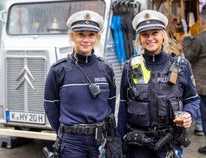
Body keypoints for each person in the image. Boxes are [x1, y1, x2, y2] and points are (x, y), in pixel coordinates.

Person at [117, 9, 200, 158]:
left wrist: (188, 113)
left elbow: (192, 99)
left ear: (163, 35)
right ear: (140, 39)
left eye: (155, 32)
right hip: (138, 146)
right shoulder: (130, 67)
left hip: (169, 143)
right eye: (145, 34)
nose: (150, 38)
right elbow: (123, 107)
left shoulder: (182, 66)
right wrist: (117, 143)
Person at [43, 10, 116, 158]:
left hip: (99, 142)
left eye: (91, 35)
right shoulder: (59, 70)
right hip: (71, 143)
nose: (86, 40)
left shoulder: (106, 69)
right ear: (72, 36)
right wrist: (65, 133)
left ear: (97, 38)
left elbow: (110, 105)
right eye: (81, 34)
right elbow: (51, 107)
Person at [182, 4, 206, 154]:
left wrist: (185, 40)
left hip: (203, 86)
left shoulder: (199, 39)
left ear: (203, 21)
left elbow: (189, 56)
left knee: (205, 117)